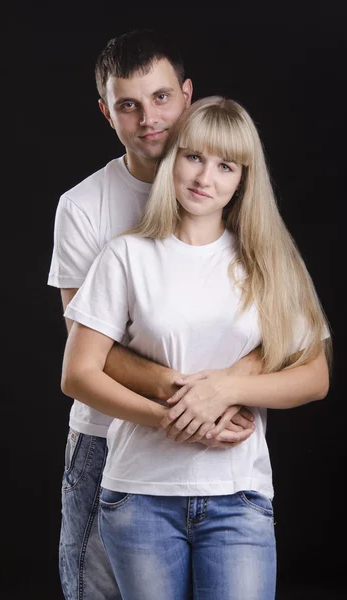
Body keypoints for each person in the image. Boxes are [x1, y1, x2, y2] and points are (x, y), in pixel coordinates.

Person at [61, 96, 332, 600]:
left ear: (242, 179)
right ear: (173, 160)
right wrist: (169, 419)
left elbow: (315, 376)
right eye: (193, 157)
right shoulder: (127, 255)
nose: (205, 177)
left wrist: (228, 387)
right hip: (140, 495)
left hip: (238, 498)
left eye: (225, 165)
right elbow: (78, 374)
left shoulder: (268, 264)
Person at [48, 31, 258, 600]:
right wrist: (192, 398)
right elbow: (89, 347)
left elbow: (278, 320)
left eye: (161, 97)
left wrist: (229, 390)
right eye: (128, 105)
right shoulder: (83, 207)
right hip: (107, 434)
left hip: (221, 438)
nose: (149, 118)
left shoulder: (228, 192)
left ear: (188, 96)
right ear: (106, 112)